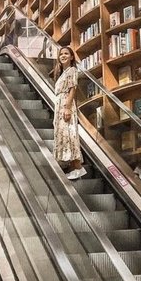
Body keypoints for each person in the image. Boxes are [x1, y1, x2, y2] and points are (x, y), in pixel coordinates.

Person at [53, 46, 86, 180]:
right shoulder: (63, 73)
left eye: (66, 53)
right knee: (65, 134)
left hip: (65, 104)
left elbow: (73, 89)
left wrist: (67, 108)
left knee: (69, 134)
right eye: (61, 54)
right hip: (60, 105)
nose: (63, 56)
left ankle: (78, 167)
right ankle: (73, 167)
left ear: (72, 57)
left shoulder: (72, 70)